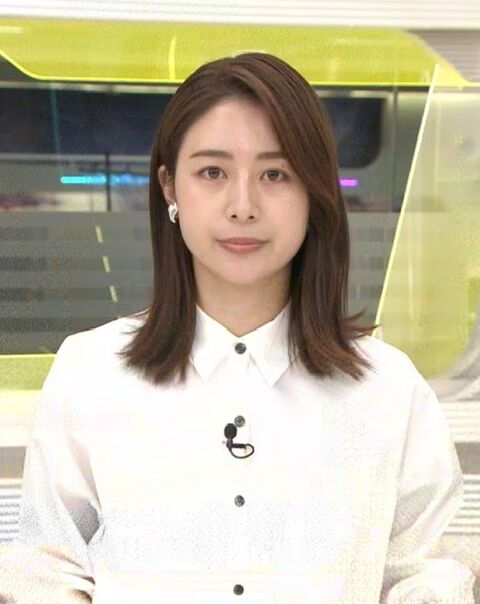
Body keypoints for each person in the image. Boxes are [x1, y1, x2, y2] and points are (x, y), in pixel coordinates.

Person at [3, 52, 478, 603]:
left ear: (313, 191)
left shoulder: (389, 389)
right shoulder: (90, 373)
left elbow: (425, 574)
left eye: (275, 174)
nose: (243, 205)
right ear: (169, 187)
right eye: (213, 172)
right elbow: (49, 570)